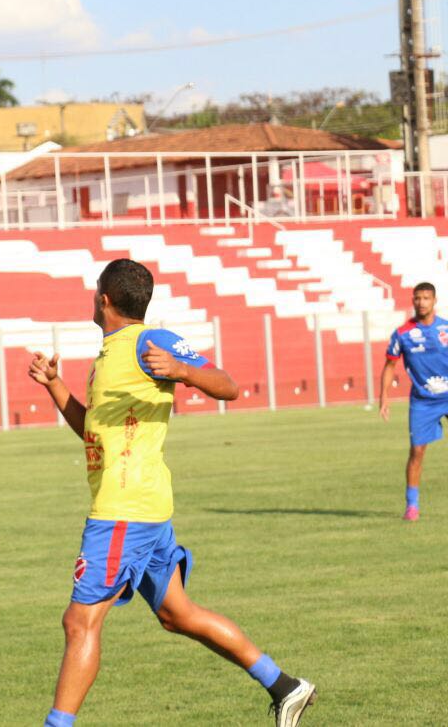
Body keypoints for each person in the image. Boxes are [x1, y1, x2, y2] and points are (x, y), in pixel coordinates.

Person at [28, 259, 315, 727]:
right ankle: (285, 686)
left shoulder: (149, 341)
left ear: (103, 299)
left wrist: (183, 370)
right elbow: (93, 432)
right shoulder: (108, 355)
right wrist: (55, 385)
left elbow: (229, 386)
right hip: (145, 510)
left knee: (80, 622)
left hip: (124, 512)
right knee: (176, 614)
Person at [379, 281, 448, 521]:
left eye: (426, 298)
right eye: (417, 298)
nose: (421, 302)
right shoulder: (403, 334)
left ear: (434, 301)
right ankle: (412, 506)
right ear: (413, 301)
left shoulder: (446, 330)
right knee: (417, 452)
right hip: (423, 401)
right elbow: (390, 365)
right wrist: (384, 397)